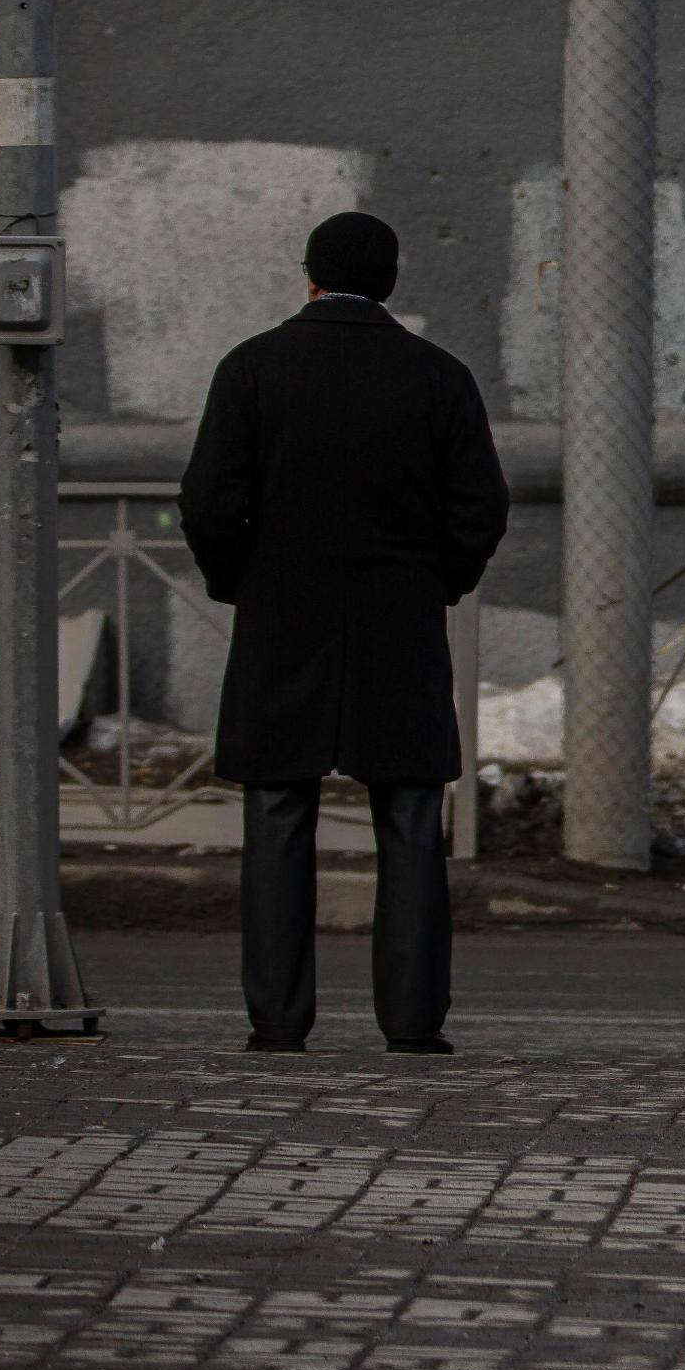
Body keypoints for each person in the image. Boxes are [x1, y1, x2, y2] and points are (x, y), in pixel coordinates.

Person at [181, 212, 509, 1055]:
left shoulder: (252, 367)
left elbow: (209, 499)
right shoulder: (438, 376)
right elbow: (481, 505)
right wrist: (438, 579)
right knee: (407, 814)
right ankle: (411, 1020)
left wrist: (240, 579)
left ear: (310, 275)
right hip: (398, 622)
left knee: (279, 809)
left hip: (281, 618)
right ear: (392, 281)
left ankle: (279, 1018)